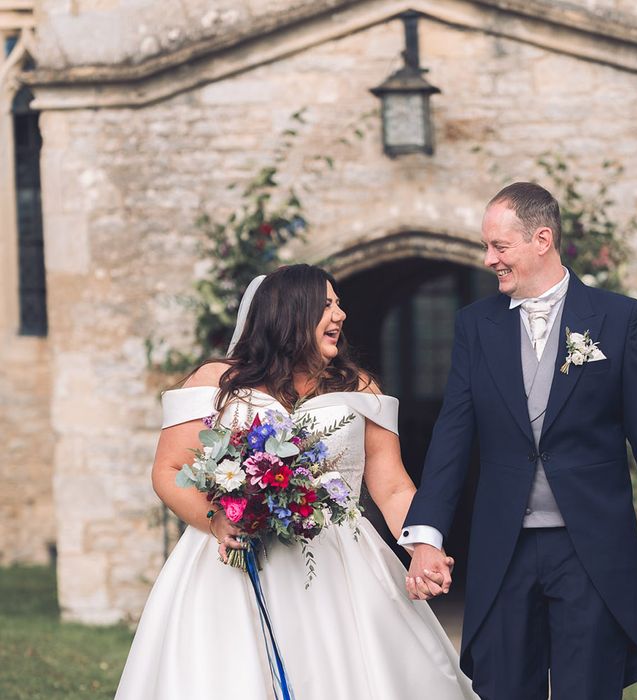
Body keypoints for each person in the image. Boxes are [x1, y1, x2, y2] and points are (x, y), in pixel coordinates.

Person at [115, 264, 477, 700]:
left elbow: (394, 486)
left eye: (339, 303)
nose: (340, 314)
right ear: (289, 313)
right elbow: (168, 470)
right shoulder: (218, 381)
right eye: (326, 305)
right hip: (234, 559)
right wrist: (215, 519)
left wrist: (424, 547)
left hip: (337, 560)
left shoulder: (360, 387)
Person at [400, 182, 637, 699]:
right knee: (503, 686)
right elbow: (453, 435)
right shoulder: (475, 325)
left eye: (500, 246)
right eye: (487, 246)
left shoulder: (618, 318)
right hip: (504, 548)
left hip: (592, 549)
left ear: (542, 239)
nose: (488, 258)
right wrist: (426, 536)